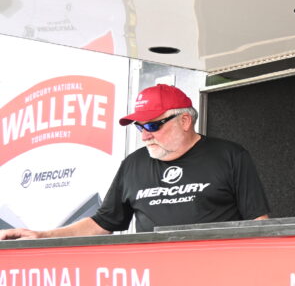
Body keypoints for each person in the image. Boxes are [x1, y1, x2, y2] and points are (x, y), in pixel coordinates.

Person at [1, 84, 270, 239]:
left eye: (153, 125)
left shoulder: (230, 156)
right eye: (139, 127)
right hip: (153, 281)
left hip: (216, 277)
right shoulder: (133, 164)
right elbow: (103, 223)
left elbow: (258, 223)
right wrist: (43, 235)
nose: (145, 136)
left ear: (185, 120)